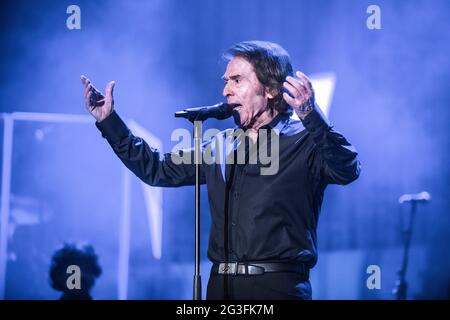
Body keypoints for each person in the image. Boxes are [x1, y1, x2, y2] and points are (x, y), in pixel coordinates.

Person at [80, 40, 361, 300]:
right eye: (226, 82)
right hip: (220, 286)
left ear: (272, 89)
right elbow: (157, 169)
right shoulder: (221, 146)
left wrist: (312, 116)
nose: (226, 90)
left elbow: (347, 169)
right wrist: (110, 123)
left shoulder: (304, 140)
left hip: (277, 288)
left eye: (237, 80)